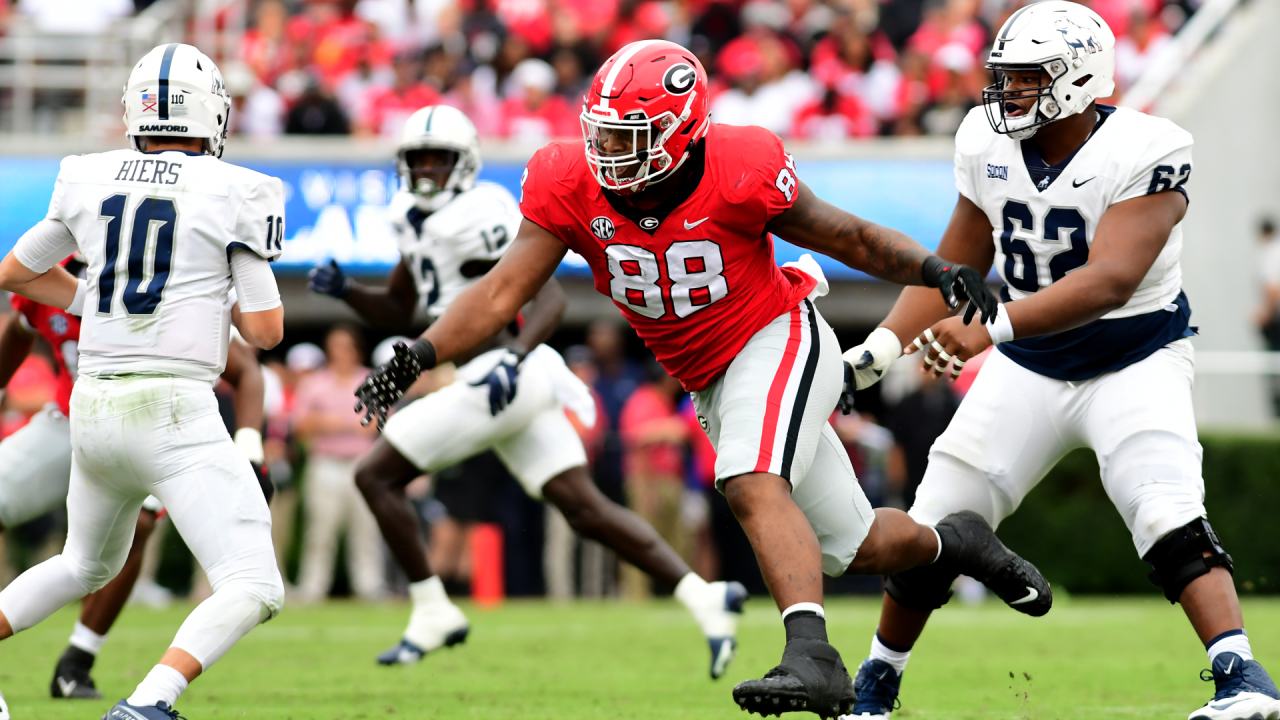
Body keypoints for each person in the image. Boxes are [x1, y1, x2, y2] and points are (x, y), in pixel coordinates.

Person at [351, 41, 1052, 719]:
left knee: (750, 479)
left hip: (775, 334)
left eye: (632, 136)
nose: (610, 152)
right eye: (604, 134)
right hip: (708, 375)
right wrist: (421, 351)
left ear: (682, 129)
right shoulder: (567, 179)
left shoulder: (740, 164)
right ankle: (956, 543)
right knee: (853, 546)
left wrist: (932, 270)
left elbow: (846, 236)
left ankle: (813, 656)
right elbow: (503, 292)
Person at [838, 5, 1280, 720]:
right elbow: (959, 264)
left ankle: (1243, 678)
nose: (1007, 93)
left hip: (1133, 356)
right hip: (1031, 364)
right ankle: (876, 688)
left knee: (1162, 506)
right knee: (941, 513)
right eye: (1004, 77)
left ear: (1077, 79)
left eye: (1025, 78)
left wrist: (993, 327)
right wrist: (878, 351)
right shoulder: (985, 139)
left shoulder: (1147, 147)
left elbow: (1110, 280)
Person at [308, 104, 749, 679]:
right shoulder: (410, 219)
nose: (424, 172)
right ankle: (705, 598)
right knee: (584, 508)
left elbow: (548, 300)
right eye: (416, 160)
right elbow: (401, 306)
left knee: (374, 475)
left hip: (503, 376)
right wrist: (349, 292)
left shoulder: (484, 213)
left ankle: (432, 609)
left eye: (437, 160)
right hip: (493, 380)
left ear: (463, 165)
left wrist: (512, 360)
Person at [0, 43, 285, 720]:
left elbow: (15, 272)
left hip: (93, 407)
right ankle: (150, 701)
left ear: (136, 112)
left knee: (82, 565)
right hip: (172, 407)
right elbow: (268, 331)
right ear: (212, 112)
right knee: (254, 583)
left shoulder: (88, 175)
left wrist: (95, 300)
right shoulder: (237, 190)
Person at [292, 325, 385, 602]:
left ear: (357, 350)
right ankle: (313, 586)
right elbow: (300, 425)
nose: (340, 353)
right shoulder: (315, 382)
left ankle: (369, 585)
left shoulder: (370, 379)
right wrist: (334, 423)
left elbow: (375, 424)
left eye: (346, 346)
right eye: (334, 346)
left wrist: (332, 423)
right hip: (326, 461)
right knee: (320, 529)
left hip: (361, 461)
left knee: (366, 527)